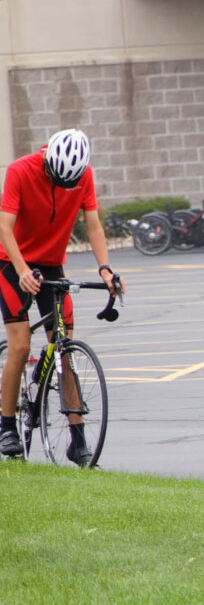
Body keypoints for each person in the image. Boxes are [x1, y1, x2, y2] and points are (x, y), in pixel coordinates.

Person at [0, 130, 119, 463]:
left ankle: (77, 440)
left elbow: (93, 224)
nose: (63, 186)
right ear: (48, 161)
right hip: (11, 262)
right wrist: (23, 270)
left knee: (64, 349)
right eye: (56, 178)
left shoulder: (85, 175)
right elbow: (4, 227)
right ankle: (6, 424)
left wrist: (105, 270)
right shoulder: (20, 170)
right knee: (21, 346)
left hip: (52, 265)